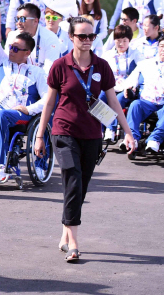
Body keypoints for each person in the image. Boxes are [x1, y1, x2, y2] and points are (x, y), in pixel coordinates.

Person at [35, 17, 136, 262]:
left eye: (91, 36)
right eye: (82, 36)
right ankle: (74, 243)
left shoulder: (102, 66)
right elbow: (49, 102)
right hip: (63, 130)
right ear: (72, 37)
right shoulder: (60, 65)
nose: (87, 40)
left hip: (92, 134)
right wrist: (40, 135)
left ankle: (64, 231)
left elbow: (113, 101)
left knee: (80, 187)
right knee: (73, 177)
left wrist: (129, 133)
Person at [0, 0, 48, 182]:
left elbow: (48, 98)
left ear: (27, 53)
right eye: (10, 47)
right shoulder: (3, 62)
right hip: (1, 109)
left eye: (16, 49)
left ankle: (2, 166)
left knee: (0, 116)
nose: (11, 51)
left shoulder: (36, 72)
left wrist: (29, 109)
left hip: (22, 115)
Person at [122, 33, 164, 153]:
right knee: (135, 105)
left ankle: (154, 140)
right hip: (148, 101)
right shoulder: (147, 63)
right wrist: (129, 86)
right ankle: (132, 139)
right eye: (161, 46)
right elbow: (133, 78)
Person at [100, 24, 142, 142]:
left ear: (129, 40)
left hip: (127, 88)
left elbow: (140, 72)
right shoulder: (107, 55)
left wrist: (131, 86)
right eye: (118, 40)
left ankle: (110, 129)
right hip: (110, 87)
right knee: (99, 100)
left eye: (125, 40)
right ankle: (99, 129)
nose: (121, 43)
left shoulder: (136, 54)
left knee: (117, 100)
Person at [5, 3, 62, 75]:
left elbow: (49, 70)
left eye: (22, 19)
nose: (18, 23)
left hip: (41, 81)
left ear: (35, 21)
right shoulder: (12, 36)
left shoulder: (50, 38)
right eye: (17, 19)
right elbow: (7, 64)